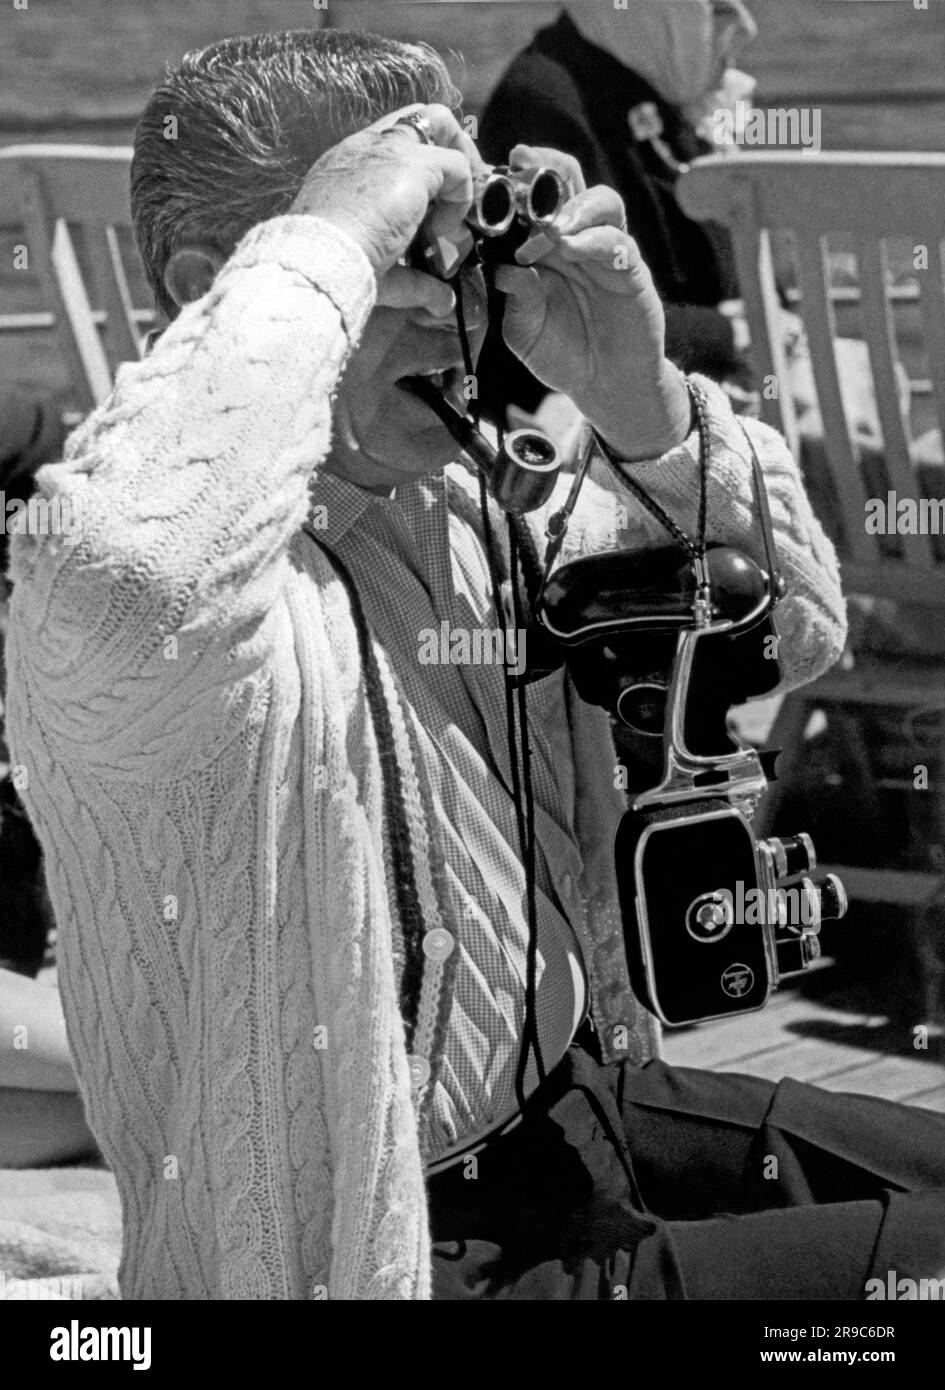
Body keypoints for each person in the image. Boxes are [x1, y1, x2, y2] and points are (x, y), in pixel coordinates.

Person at [5, 29, 944, 1301]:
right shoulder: (136, 604)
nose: (454, 309)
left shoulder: (460, 497)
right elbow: (129, 562)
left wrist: (641, 401)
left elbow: (793, 632)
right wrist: (339, 233)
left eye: (465, 257)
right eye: (405, 261)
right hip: (382, 1252)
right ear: (226, 287)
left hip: (571, 1122)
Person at [475, 0, 758, 423]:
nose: (745, 26)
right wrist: (729, 333)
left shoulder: (649, 81)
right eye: (716, 6)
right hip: (597, 433)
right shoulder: (543, 104)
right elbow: (574, 320)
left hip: (701, 386)